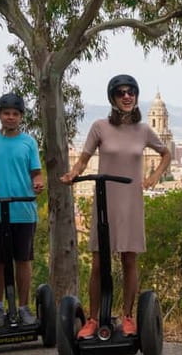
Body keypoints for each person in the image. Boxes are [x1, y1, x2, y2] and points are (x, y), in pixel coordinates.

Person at [60, 75, 171, 339]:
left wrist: (153, 178)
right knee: (99, 262)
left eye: (131, 92)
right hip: (104, 199)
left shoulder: (143, 130)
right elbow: (84, 159)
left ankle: (129, 317)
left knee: (129, 259)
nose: (126, 96)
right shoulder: (99, 127)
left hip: (131, 200)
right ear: (113, 98)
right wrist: (72, 174)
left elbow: (166, 154)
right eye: (121, 93)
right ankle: (94, 318)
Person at [0, 93, 44, 327]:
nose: (10, 117)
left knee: (23, 260)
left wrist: (38, 183)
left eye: (15, 114)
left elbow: (36, 173)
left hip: (23, 210)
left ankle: (23, 308)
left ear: (21, 116)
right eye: (6, 113)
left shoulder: (29, 142)